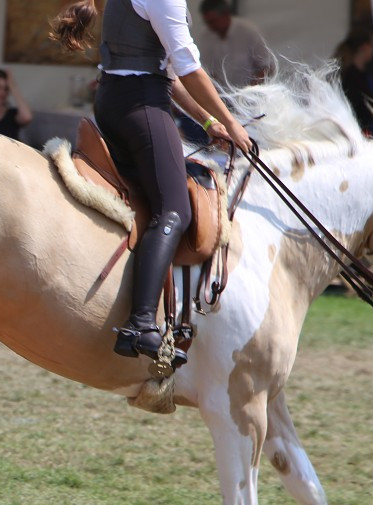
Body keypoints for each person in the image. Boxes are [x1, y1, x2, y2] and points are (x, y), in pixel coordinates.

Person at [52, 0, 252, 365]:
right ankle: (141, 323)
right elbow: (188, 67)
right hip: (140, 105)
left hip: (115, 99)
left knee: (152, 197)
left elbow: (168, 74)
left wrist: (208, 122)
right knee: (174, 209)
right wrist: (232, 121)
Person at [198, 0, 272, 88]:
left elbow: (267, 67)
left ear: (225, 15)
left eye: (213, 21)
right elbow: (209, 72)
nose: (210, 26)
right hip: (224, 96)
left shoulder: (248, 31)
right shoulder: (206, 35)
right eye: (207, 22)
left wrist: (250, 89)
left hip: (252, 93)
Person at [335, 27, 373, 137]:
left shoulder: (361, 75)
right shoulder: (351, 77)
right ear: (365, 47)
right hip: (359, 133)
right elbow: (360, 110)